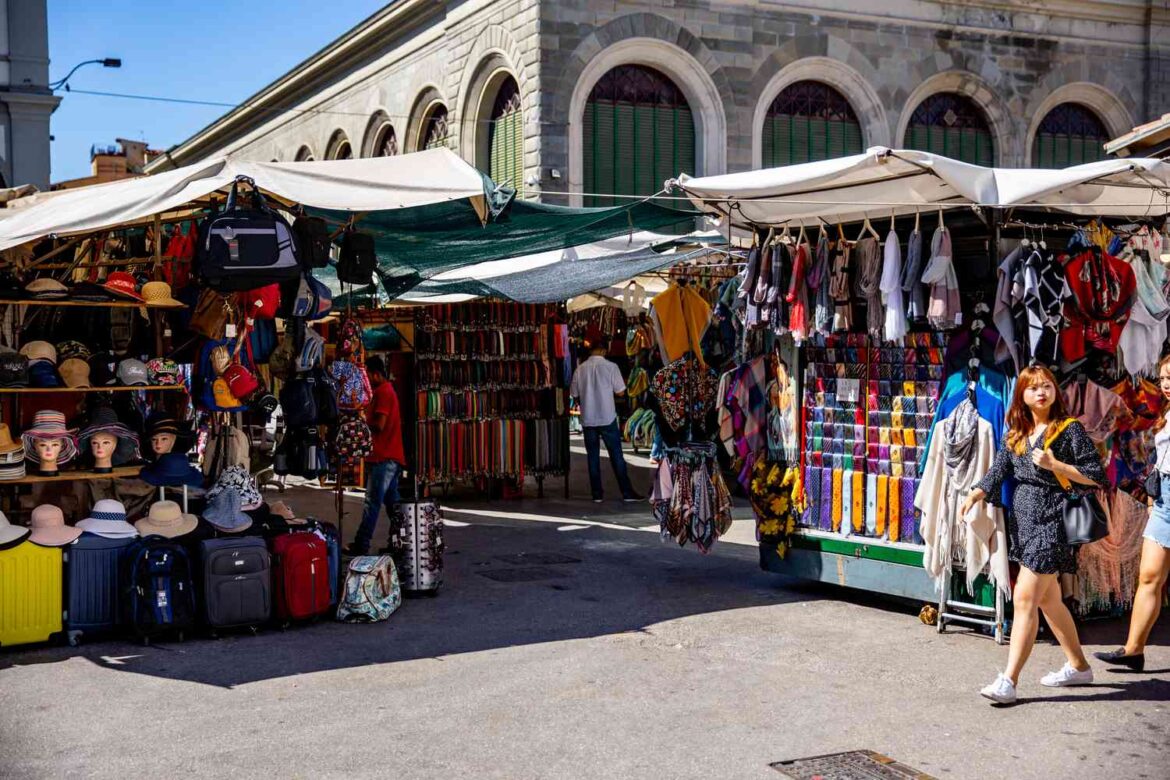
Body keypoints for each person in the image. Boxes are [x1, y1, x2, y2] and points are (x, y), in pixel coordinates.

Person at [961, 365, 1107, 705]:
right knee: (1048, 600)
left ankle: (1008, 681)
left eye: (1047, 386)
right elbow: (999, 469)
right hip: (1024, 523)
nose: (1041, 392)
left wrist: (1056, 465)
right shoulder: (1016, 432)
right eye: (1033, 388)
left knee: (1025, 597)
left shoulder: (1069, 431)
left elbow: (1095, 475)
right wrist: (975, 493)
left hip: (1053, 520)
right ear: (1022, 396)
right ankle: (1079, 667)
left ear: (1055, 391)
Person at [1094, 355, 1170, 672]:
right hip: (1165, 497)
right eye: (1164, 378)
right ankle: (1133, 650)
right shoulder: (1165, 410)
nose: (1166, 385)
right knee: (1149, 575)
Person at [570, 332, 641, 503]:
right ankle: (626, 492)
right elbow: (621, 391)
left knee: (592, 457)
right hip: (607, 416)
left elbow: (574, 393)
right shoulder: (611, 367)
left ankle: (597, 494)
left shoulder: (580, 369)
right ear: (602, 350)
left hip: (588, 418)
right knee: (616, 456)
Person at [348, 355, 406, 556]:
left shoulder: (383, 392)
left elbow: (380, 425)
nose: (368, 380)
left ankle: (361, 543)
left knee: (372, 503)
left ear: (375, 374)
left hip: (384, 457)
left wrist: (362, 421)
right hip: (388, 456)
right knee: (393, 505)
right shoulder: (385, 391)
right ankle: (402, 542)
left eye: (369, 375)